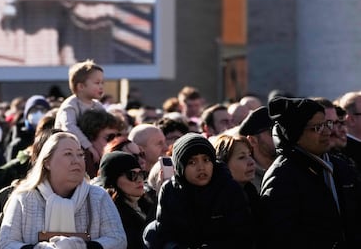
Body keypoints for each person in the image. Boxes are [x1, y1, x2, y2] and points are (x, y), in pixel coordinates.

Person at [259, 96, 361, 247]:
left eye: (327, 124)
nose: (327, 132)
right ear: (296, 134)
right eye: (317, 128)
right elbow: (281, 237)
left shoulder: (340, 167)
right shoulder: (282, 176)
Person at [0, 131, 126, 249]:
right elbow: (6, 244)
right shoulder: (24, 198)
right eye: (68, 154)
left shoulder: (98, 196)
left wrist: (81, 246)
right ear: (47, 162)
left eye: (80, 154)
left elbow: (118, 240)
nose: (77, 160)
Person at [143, 133, 253, 248]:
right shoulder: (170, 190)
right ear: (180, 166)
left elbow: (242, 236)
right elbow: (163, 234)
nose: (201, 167)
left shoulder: (229, 188)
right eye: (192, 162)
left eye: (206, 160)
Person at [96, 151, 154, 249]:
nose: (139, 180)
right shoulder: (112, 214)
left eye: (141, 174)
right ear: (113, 181)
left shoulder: (148, 205)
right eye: (132, 175)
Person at [54, 60, 107, 165]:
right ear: (81, 86)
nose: (101, 86)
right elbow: (69, 127)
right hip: (68, 151)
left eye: (102, 83)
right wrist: (89, 147)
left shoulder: (98, 106)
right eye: (97, 83)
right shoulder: (70, 105)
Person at [238, 105, 276, 190]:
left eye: (279, 130)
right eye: (271, 131)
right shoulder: (245, 178)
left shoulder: (289, 168)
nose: (277, 136)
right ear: (252, 140)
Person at [77, 109, 122, 177]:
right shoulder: (82, 163)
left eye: (118, 137)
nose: (115, 142)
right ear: (90, 137)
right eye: (110, 137)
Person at [6, 95, 51, 162]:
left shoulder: (52, 138)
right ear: (26, 115)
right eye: (34, 110)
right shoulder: (17, 143)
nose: (38, 113)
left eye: (42, 110)